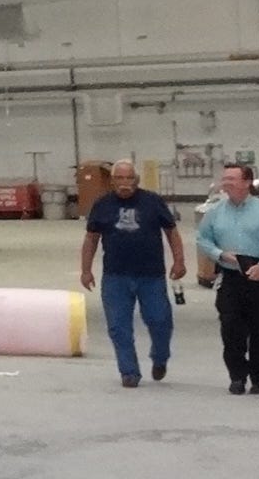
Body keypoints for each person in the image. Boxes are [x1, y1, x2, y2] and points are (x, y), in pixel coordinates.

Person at [78, 159, 184, 387]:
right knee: (118, 326)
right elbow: (91, 239)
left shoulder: (153, 202)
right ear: (112, 180)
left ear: (136, 180)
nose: (124, 183)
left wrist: (179, 261)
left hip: (151, 275)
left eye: (129, 178)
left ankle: (160, 357)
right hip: (116, 276)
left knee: (160, 321)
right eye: (119, 178)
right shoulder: (102, 205)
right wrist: (85, 270)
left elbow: (172, 232)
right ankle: (129, 372)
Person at [196, 160, 259, 395]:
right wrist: (220, 254)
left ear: (246, 183)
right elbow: (202, 239)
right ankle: (237, 375)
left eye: (232, 179)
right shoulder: (215, 212)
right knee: (231, 327)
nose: (226, 184)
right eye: (225, 179)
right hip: (232, 275)